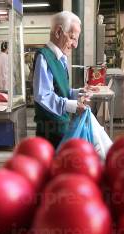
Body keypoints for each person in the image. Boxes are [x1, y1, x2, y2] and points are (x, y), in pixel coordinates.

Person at [33, 11, 87, 148]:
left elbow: (60, 89)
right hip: (49, 133)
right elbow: (43, 95)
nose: (75, 45)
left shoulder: (61, 59)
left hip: (61, 127)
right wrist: (72, 106)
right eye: (73, 38)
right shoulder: (44, 57)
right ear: (58, 32)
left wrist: (80, 92)